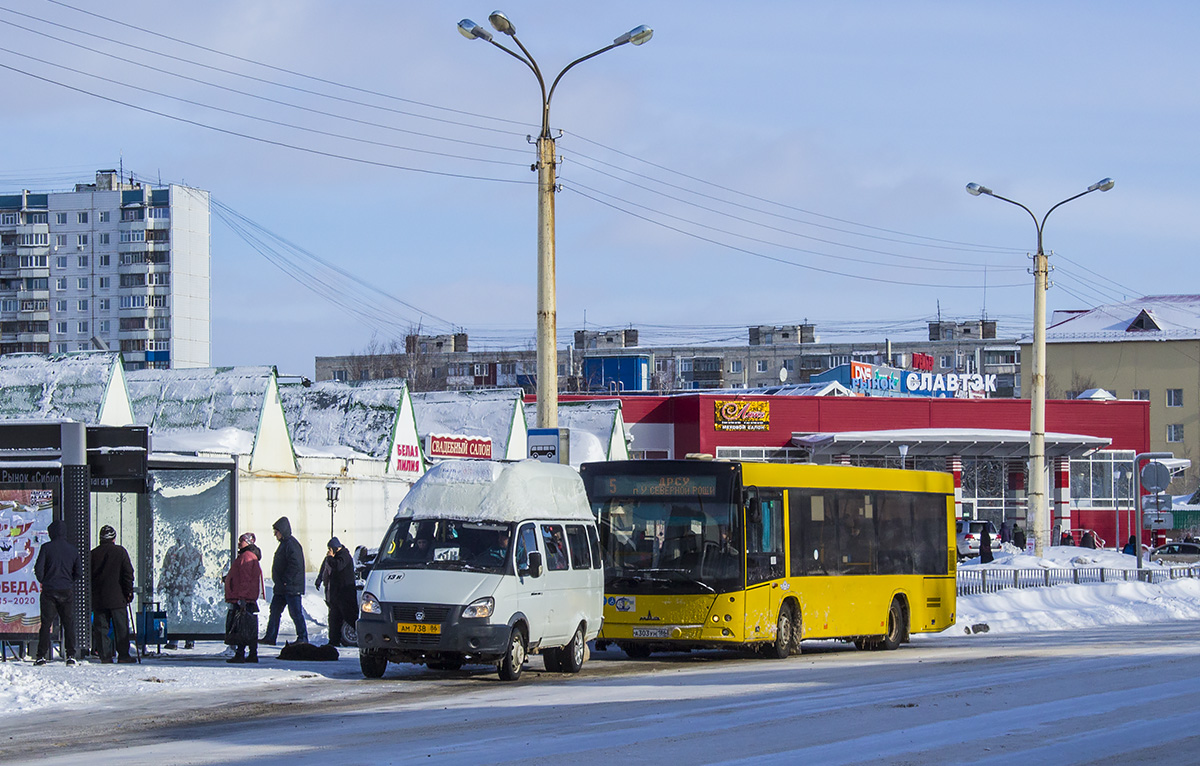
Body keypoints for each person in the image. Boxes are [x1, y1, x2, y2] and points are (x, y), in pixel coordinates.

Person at [33, 520, 81, 666]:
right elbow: (78, 572)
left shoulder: (46, 548)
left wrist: (45, 580)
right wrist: (68, 581)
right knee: (68, 623)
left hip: (49, 590)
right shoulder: (72, 550)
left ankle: (41, 656)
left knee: (46, 624)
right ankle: (71, 654)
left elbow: (38, 569)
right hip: (66, 590)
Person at [90, 525, 136, 664]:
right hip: (118, 597)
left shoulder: (93, 554)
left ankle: (105, 656)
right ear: (114, 538)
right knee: (121, 627)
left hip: (99, 597)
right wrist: (128, 591)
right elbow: (128, 573)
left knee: (101, 628)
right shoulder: (120, 552)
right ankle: (123, 655)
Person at [261, 516, 307, 645]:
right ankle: (270, 637)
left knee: (296, 613)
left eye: (276, 532)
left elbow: (295, 565)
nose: (275, 535)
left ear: (283, 531)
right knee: (275, 611)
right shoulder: (285, 544)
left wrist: (286, 580)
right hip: (282, 587)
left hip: (290, 587)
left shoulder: (292, 545)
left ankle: (302, 637)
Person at [224, 532, 264, 663]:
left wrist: (242, 597)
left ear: (248, 542)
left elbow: (245, 579)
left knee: (241, 627)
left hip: (243, 598)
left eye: (242, 540)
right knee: (249, 626)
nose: (239, 543)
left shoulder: (246, 556)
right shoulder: (248, 556)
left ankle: (240, 654)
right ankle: (252, 653)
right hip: (247, 597)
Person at [160, 533, 203, 648]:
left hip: (173, 587)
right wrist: (190, 580)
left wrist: (164, 581)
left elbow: (166, 568)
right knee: (186, 612)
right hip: (186, 587)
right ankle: (189, 640)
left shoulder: (172, 551)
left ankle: (174, 640)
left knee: (174, 613)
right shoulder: (194, 552)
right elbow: (200, 570)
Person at [317, 538, 358, 647]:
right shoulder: (332, 558)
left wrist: (330, 558)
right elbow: (325, 567)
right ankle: (333, 641)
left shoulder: (344, 555)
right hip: (335, 594)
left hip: (345, 594)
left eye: (330, 549)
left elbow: (338, 566)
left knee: (350, 616)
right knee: (334, 618)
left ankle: (363, 636)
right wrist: (319, 579)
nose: (329, 551)